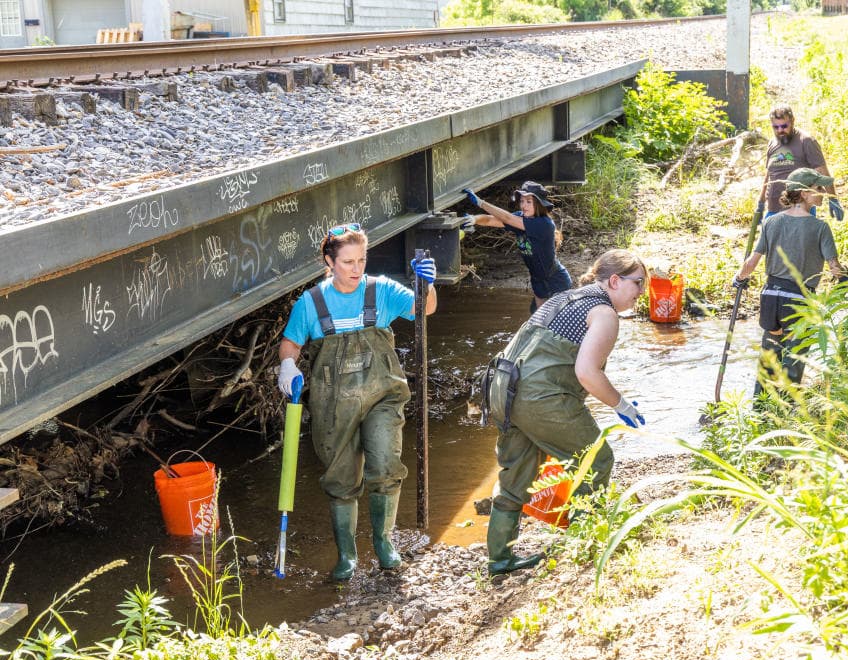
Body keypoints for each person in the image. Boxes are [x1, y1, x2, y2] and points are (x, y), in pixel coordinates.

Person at [276, 222, 437, 581]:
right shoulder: (311, 302)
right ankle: (347, 556)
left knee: (385, 466)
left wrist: (427, 284)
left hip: (383, 397)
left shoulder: (381, 290)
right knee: (341, 479)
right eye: (348, 262)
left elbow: (424, 309)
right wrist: (287, 365)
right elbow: (291, 343)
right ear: (329, 262)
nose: (356, 268)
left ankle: (384, 544)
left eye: (361, 260)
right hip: (333, 405)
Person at [479, 249, 647, 576]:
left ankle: (499, 559)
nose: (642, 291)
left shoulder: (564, 298)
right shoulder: (604, 313)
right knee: (596, 459)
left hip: (501, 388)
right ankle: (584, 548)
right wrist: (621, 404)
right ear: (614, 280)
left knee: (516, 476)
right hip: (539, 396)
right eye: (638, 283)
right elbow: (587, 373)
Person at [734, 168, 847, 399]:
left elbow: (751, 262)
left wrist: (739, 279)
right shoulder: (820, 227)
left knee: (769, 359)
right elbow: (834, 267)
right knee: (793, 362)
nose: (822, 192)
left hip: (771, 298)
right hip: (799, 300)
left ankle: (760, 408)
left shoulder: (771, 222)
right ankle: (786, 410)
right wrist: (845, 279)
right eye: (818, 188)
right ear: (804, 193)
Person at [460, 181, 573, 313]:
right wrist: (474, 219)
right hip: (537, 280)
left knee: (558, 320)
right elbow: (491, 220)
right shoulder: (520, 218)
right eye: (522, 201)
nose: (524, 205)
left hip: (556, 280)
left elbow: (507, 218)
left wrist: (480, 203)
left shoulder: (544, 224)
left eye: (529, 202)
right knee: (539, 321)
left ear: (539, 204)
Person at [758, 105, 843, 222]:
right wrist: (761, 203)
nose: (780, 130)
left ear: (792, 121)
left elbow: (821, 171)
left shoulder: (806, 141)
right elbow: (769, 175)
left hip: (800, 211)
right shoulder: (772, 143)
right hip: (773, 210)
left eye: (784, 126)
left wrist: (833, 198)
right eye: (775, 127)